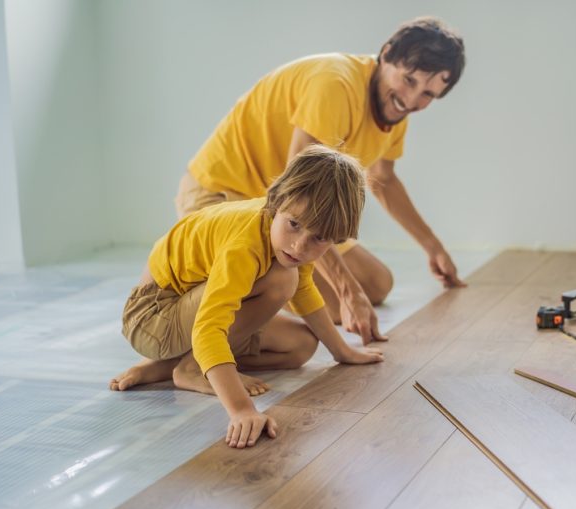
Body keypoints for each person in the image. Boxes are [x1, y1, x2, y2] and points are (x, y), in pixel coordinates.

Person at [176, 16, 467, 346]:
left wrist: (434, 247)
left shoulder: (394, 110)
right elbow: (302, 199)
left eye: (428, 93)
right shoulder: (335, 84)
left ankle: (260, 290)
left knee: (376, 283)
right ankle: (206, 320)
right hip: (223, 195)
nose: (412, 100)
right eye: (409, 80)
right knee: (313, 294)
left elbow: (383, 178)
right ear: (385, 55)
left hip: (285, 212)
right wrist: (346, 289)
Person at [111, 146, 382, 448]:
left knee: (301, 347)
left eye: (319, 238)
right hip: (152, 318)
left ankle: (168, 367)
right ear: (277, 202)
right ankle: (191, 369)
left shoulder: (284, 239)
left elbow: (304, 291)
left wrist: (342, 351)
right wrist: (242, 410)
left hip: (185, 315)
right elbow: (209, 327)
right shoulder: (246, 241)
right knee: (281, 278)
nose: (300, 246)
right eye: (294, 225)